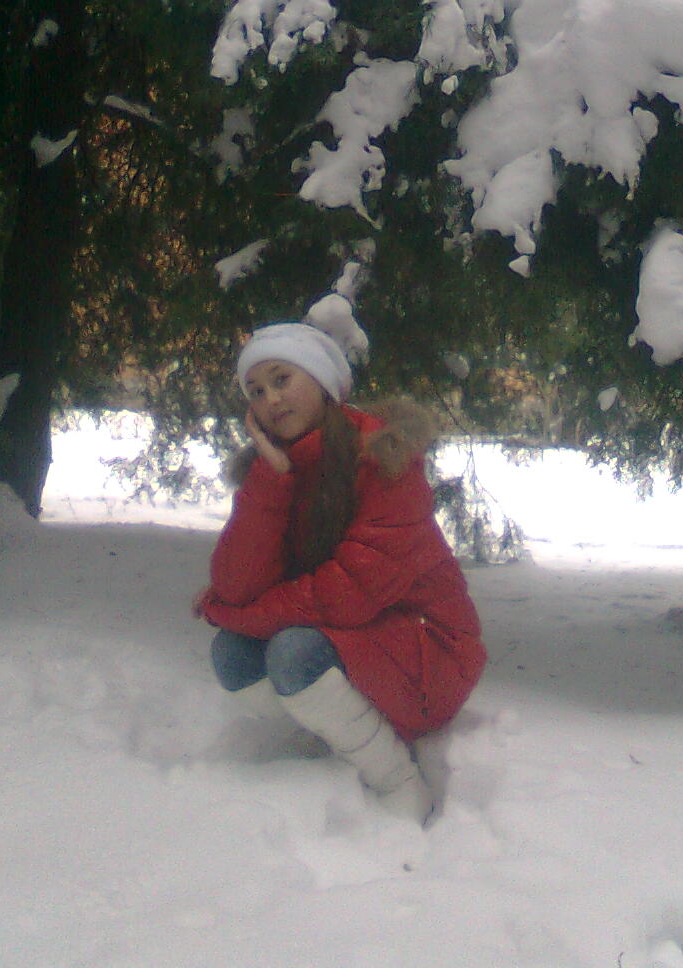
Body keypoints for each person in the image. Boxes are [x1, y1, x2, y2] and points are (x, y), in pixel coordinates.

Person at [194, 322, 487, 823]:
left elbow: (347, 592)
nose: (271, 399)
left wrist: (233, 613)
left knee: (294, 653)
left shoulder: (385, 460)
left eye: (282, 379)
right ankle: (341, 738)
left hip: (430, 653)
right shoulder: (283, 464)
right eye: (256, 391)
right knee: (234, 656)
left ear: (323, 382)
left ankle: (400, 783)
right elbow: (236, 586)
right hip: (360, 641)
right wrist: (268, 478)